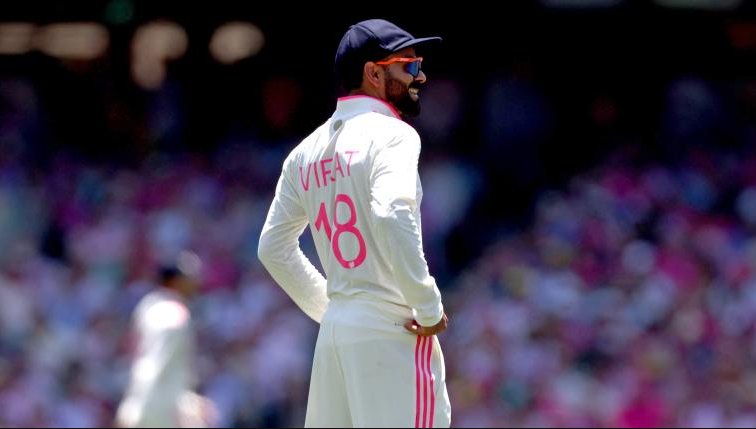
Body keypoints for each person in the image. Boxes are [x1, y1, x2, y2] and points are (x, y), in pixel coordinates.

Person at [258, 18, 451, 428]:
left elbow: (272, 248)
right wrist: (427, 305)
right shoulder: (394, 134)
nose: (421, 75)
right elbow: (392, 213)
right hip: (392, 327)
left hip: (335, 335)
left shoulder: (303, 152)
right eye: (410, 65)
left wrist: (332, 309)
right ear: (374, 73)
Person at [115, 260, 216, 428]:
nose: (194, 284)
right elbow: (158, 364)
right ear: (175, 282)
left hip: (146, 403)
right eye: (189, 279)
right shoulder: (174, 313)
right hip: (159, 410)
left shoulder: (148, 307)